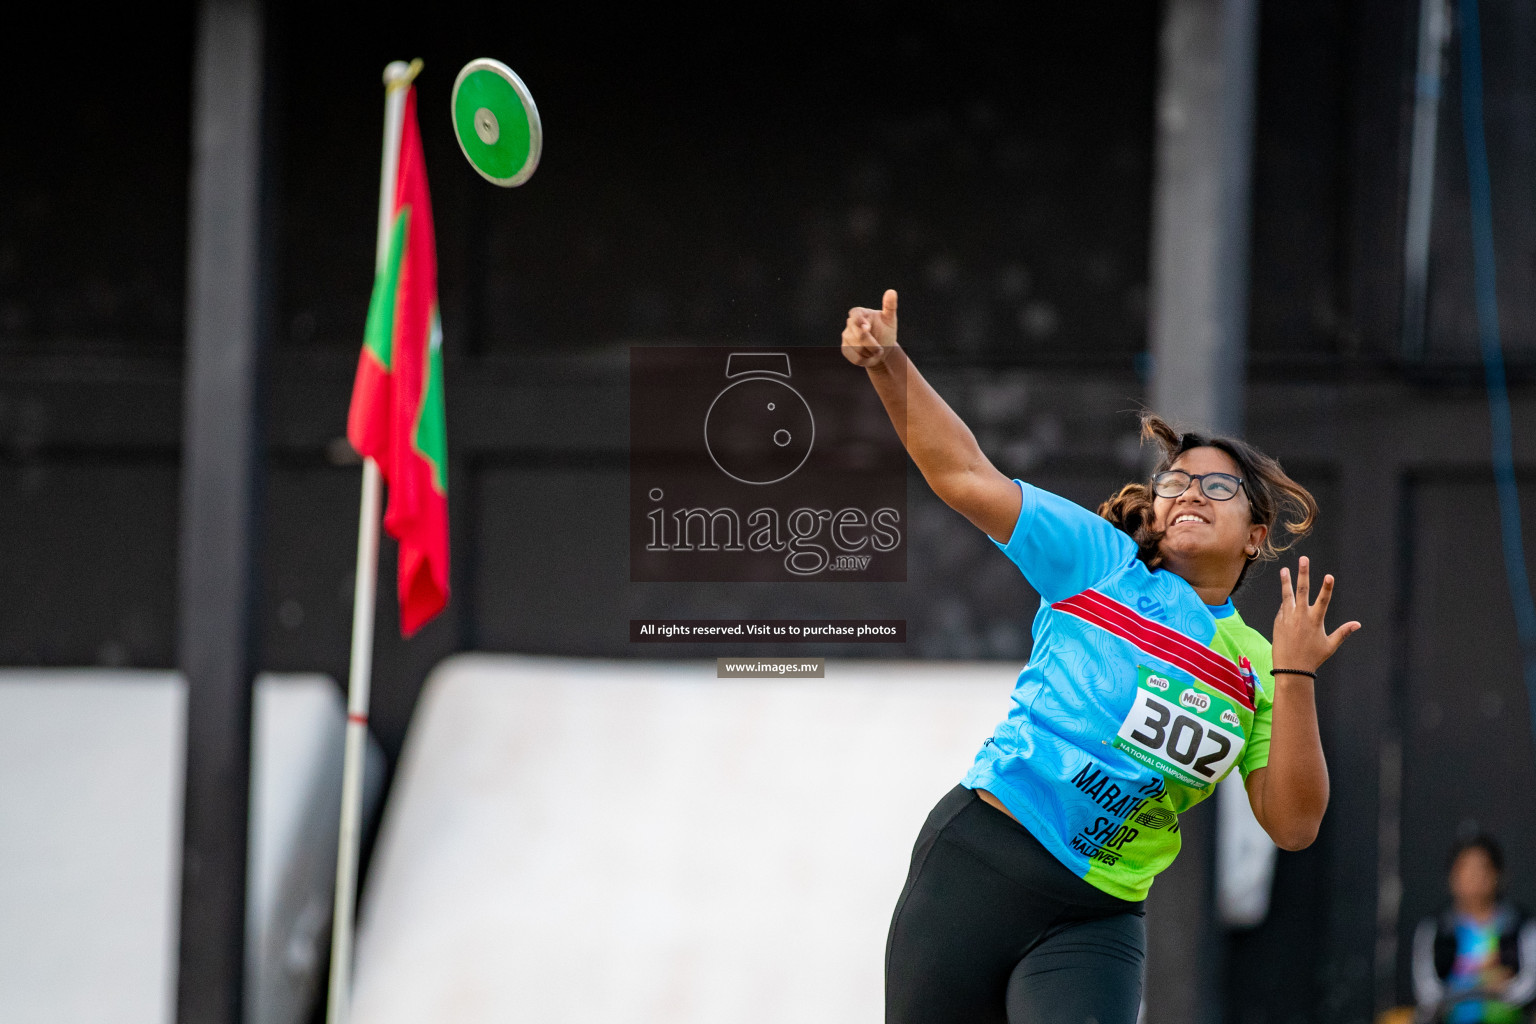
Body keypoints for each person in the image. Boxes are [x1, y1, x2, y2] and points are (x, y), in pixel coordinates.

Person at [841, 290, 1361, 1024]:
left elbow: (1293, 825)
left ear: (1255, 533)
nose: (1189, 492)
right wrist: (890, 365)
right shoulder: (1101, 563)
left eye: (1219, 486)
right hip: (980, 865)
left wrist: (1297, 673)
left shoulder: (1255, 660)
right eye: (1176, 480)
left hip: (1096, 918)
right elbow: (963, 475)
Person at [1412, 834, 1536, 1024]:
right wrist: (1473, 989)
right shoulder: (1436, 927)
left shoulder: (1520, 924)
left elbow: (1529, 983)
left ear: (1498, 874)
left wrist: (1506, 990)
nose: (1475, 877)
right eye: (1466, 869)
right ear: (1453, 876)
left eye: (1482, 868)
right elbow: (1427, 991)